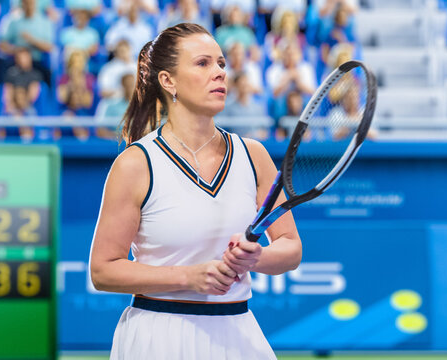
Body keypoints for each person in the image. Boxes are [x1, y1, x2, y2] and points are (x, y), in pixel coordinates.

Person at [89, 23, 301, 359]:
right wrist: (189, 276)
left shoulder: (255, 155)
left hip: (238, 332)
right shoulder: (135, 164)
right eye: (202, 63)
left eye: (221, 64)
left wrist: (256, 257)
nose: (219, 73)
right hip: (157, 337)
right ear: (168, 81)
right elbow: (103, 270)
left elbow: (291, 248)